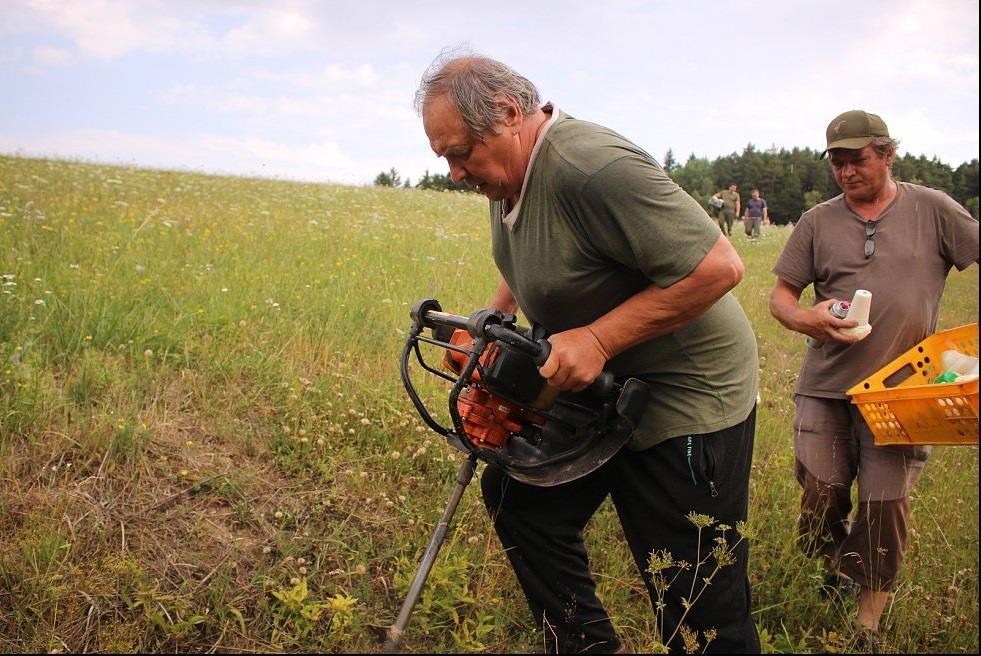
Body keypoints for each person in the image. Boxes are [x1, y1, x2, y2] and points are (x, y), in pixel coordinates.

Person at [416, 49, 760, 654]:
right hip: (595, 387)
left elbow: (718, 267)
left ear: (507, 113)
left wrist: (599, 338)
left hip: (685, 394)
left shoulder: (590, 167)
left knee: (696, 603)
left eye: (461, 152)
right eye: (444, 157)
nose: (455, 172)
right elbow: (534, 256)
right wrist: (495, 318)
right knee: (520, 501)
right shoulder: (508, 175)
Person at [769, 109, 979, 641]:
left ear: (886, 154)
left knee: (885, 507)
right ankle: (833, 569)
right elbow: (781, 298)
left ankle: (865, 625)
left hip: (903, 395)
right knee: (821, 493)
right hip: (826, 387)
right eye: (836, 163)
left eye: (856, 160)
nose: (846, 172)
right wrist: (805, 317)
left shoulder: (931, 209)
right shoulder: (817, 220)